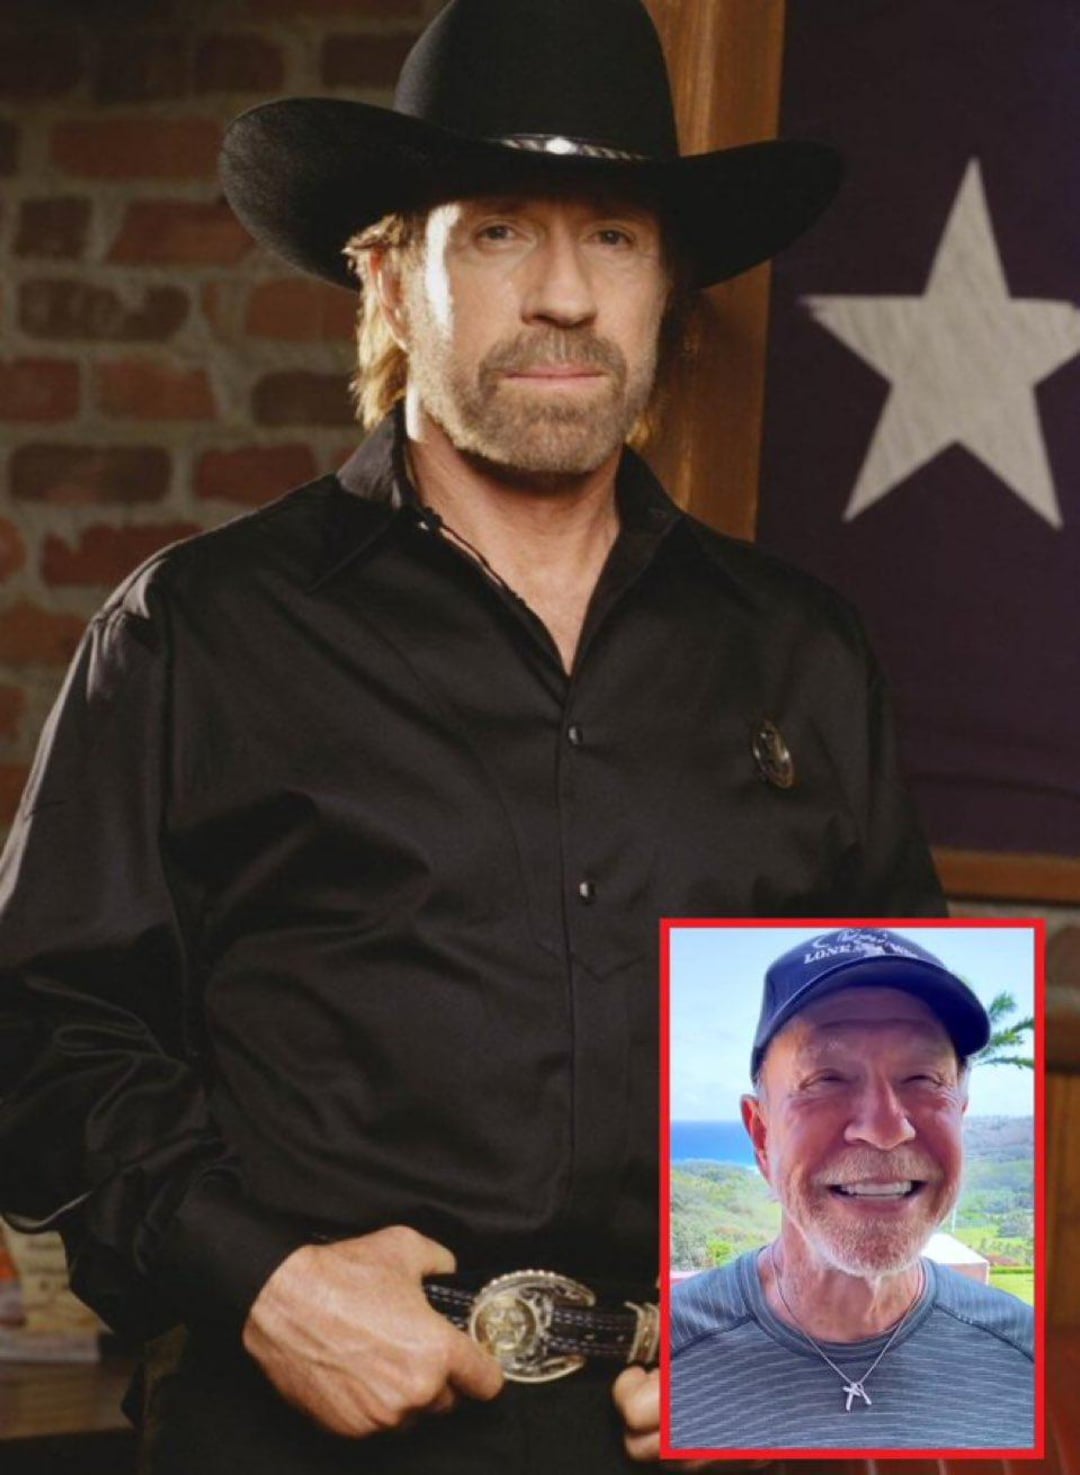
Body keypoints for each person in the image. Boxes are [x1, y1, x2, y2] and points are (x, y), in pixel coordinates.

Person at [0, 2, 944, 1470]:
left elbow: (908, 1069)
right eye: (500, 230)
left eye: (616, 235)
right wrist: (259, 1279)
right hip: (306, 1431)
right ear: (387, 277)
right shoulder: (202, 627)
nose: (564, 293)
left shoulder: (804, 649)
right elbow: (43, 1028)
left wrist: (835, 1328)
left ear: (668, 282)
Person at [670, 927, 1035, 1453]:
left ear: (961, 1114)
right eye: (827, 1078)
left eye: (923, 1079)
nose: (886, 1128)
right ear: (761, 1134)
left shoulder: (1029, 1361)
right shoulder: (667, 1362)